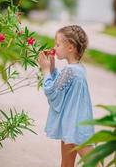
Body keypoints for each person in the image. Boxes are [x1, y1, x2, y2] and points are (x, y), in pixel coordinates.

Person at [38, 25, 99, 167]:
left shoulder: (70, 71)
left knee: (92, 164)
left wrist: (45, 70)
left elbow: (52, 91)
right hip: (72, 123)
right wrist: (52, 68)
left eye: (58, 44)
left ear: (70, 47)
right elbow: (62, 85)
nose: (55, 47)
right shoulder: (77, 68)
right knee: (66, 164)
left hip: (76, 126)